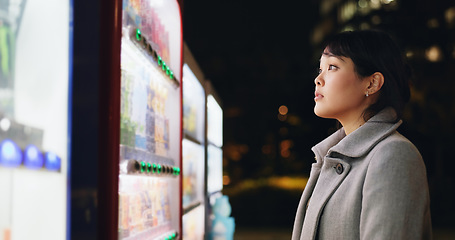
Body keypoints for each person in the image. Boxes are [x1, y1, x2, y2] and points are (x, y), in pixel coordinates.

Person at [292, 30, 432, 240]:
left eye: (332, 67)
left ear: (372, 83)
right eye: (319, 69)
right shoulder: (329, 158)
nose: (318, 79)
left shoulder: (394, 155)